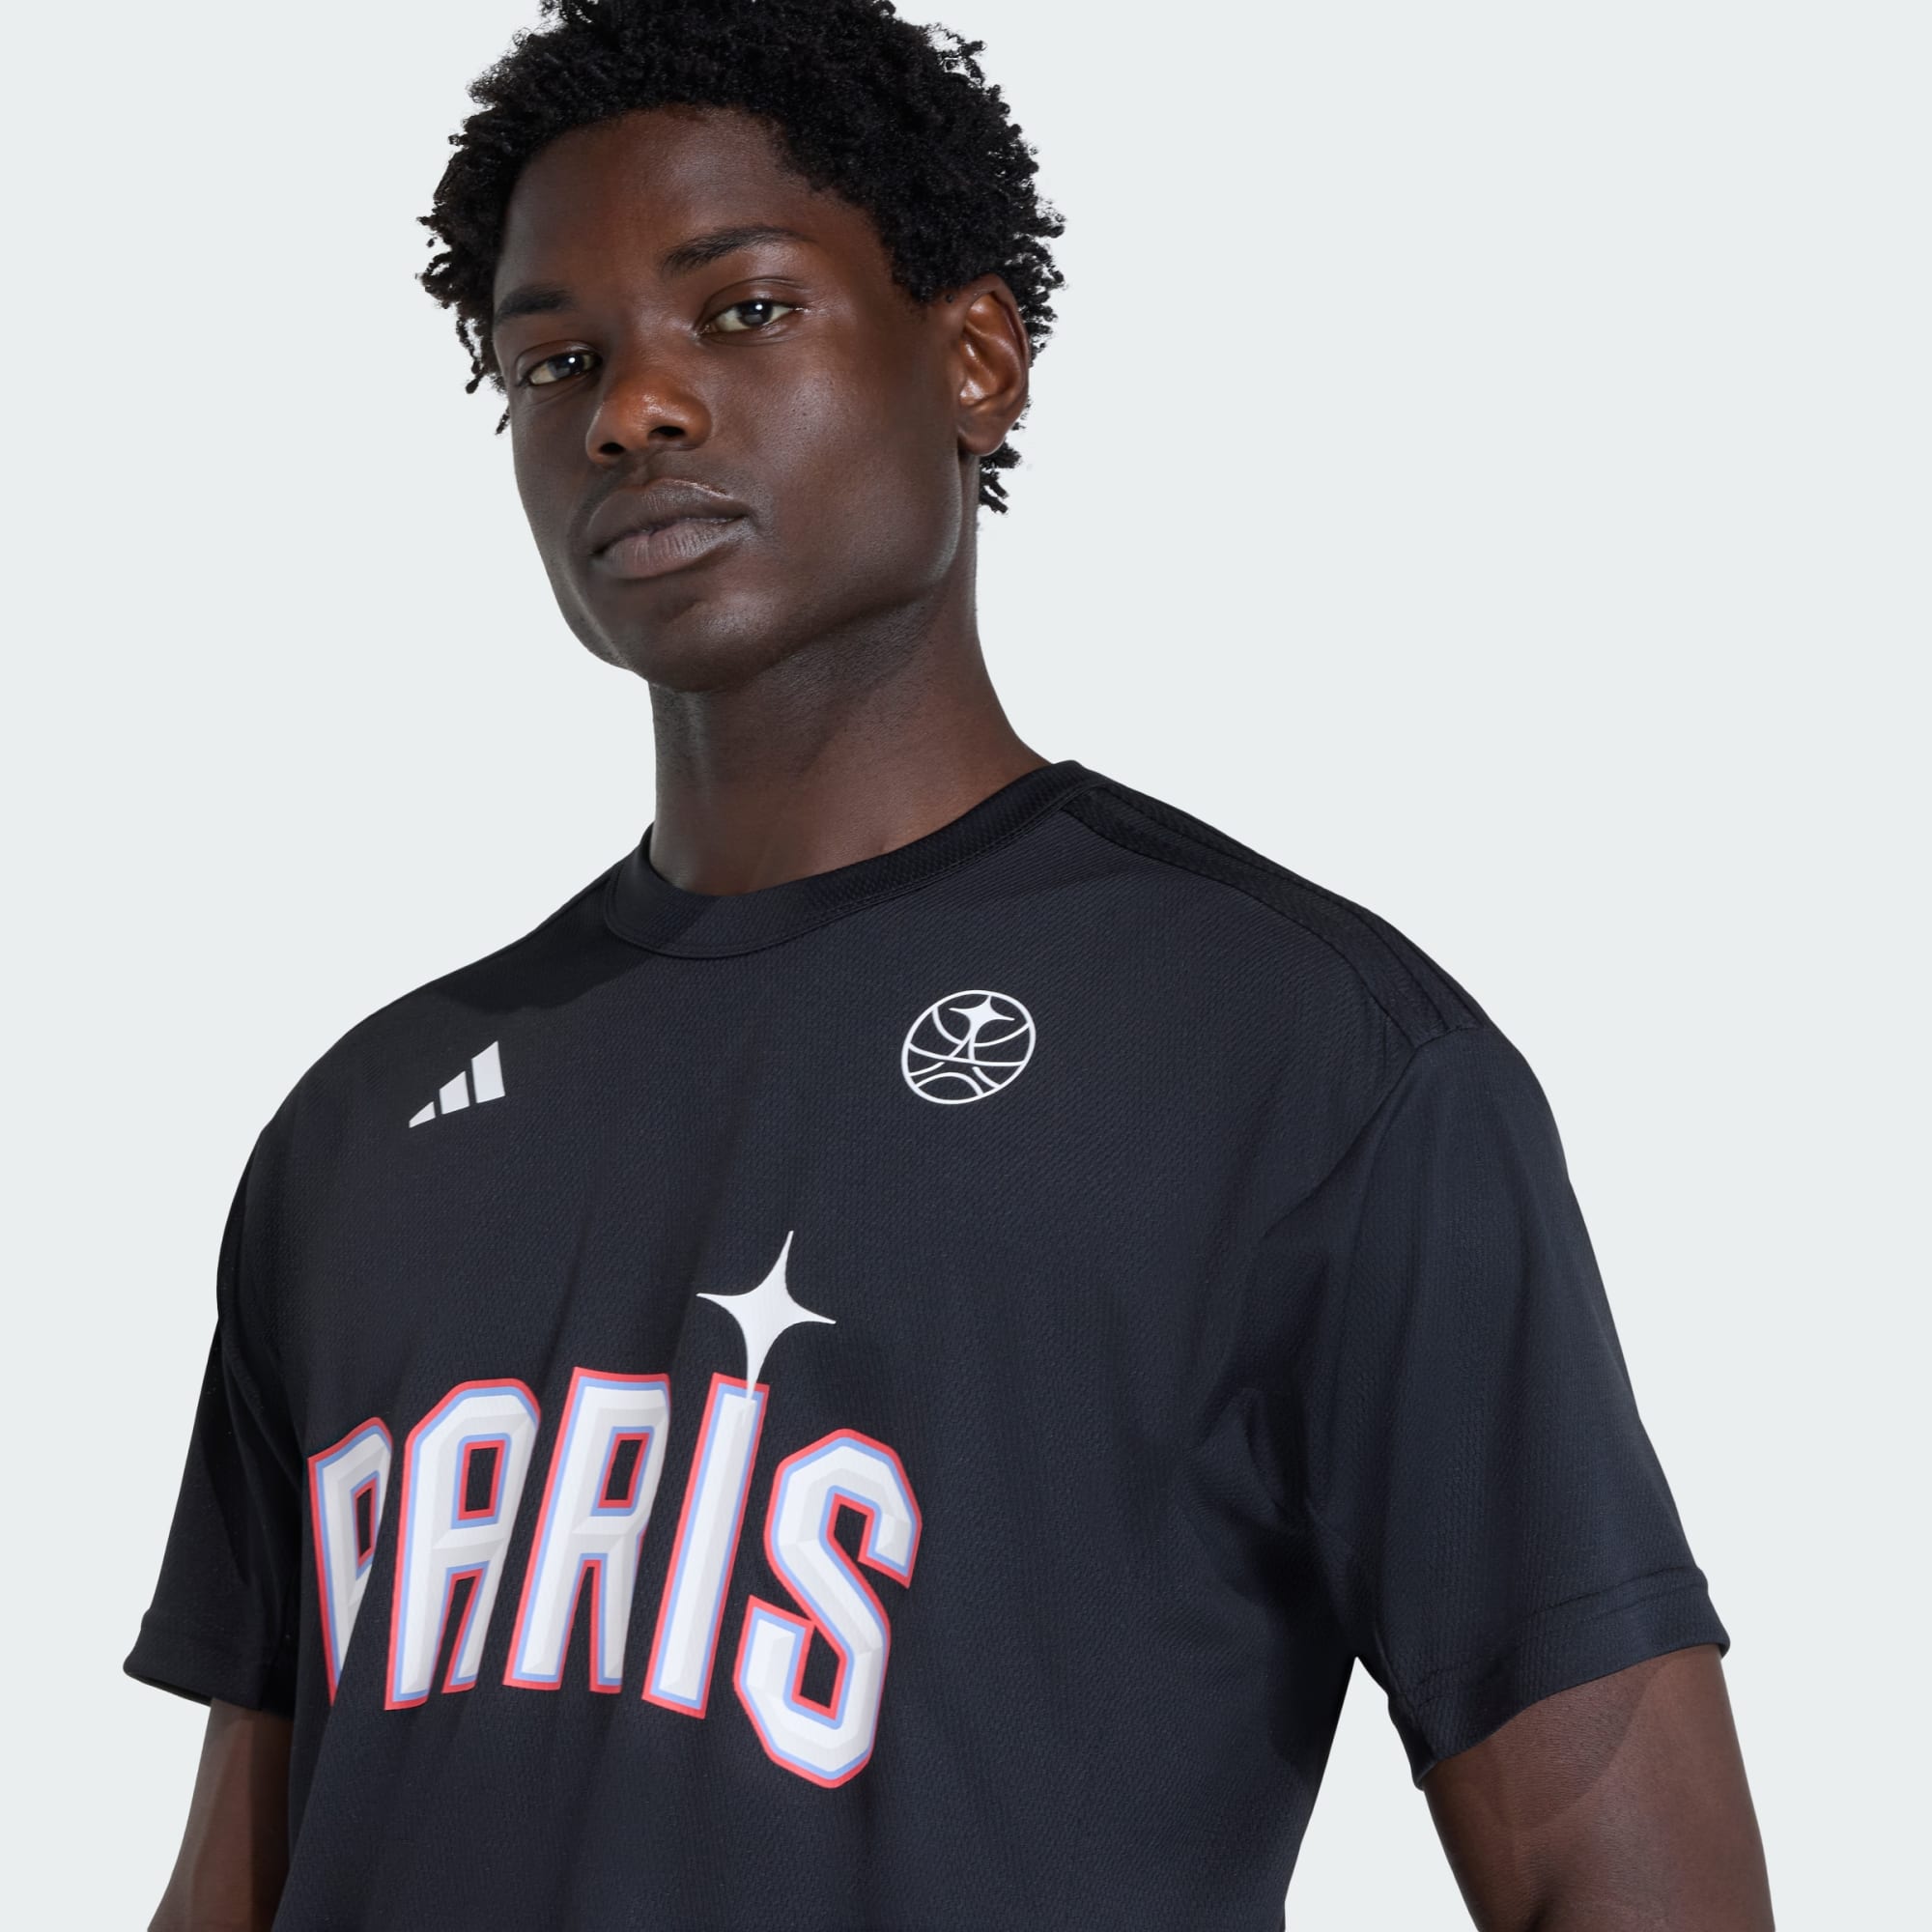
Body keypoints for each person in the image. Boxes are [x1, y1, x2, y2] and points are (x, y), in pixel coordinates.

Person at [126, 2, 1774, 1926]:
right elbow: (235, 1874)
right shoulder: (361, 1132)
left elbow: (1620, 1873)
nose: (631, 410)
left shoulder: (1300, 1059)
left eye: (741, 310)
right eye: (555, 358)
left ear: (976, 359)